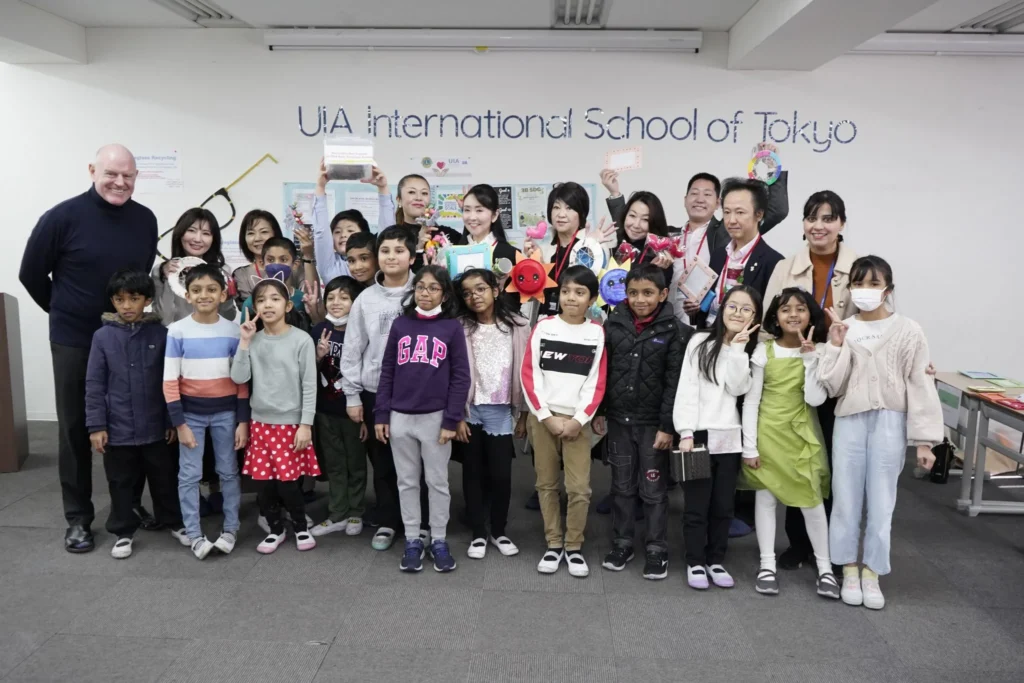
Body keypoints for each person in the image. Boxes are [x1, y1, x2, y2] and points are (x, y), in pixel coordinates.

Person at [20, 143, 158, 553]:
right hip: (75, 339)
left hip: (129, 339)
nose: (120, 182)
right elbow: (30, 273)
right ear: (92, 170)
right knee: (76, 428)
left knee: (132, 424)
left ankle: (128, 508)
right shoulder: (62, 217)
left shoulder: (145, 220)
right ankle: (78, 518)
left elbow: (138, 278)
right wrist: (64, 311)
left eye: (128, 176)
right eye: (111, 174)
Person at [818, 256, 942, 610]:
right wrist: (837, 344)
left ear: (888, 288)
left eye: (874, 284)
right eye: (859, 283)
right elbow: (831, 385)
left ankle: (872, 571)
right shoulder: (845, 327)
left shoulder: (909, 330)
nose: (866, 291)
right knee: (845, 498)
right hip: (850, 421)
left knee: (882, 500)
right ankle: (849, 568)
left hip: (890, 420)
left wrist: (924, 440)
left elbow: (920, 383)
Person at [762, 190, 857, 570]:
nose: (819, 225)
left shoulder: (859, 268)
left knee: (831, 465)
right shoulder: (786, 266)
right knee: (794, 459)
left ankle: (832, 549)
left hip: (838, 378)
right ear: (803, 224)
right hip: (795, 376)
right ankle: (798, 544)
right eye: (812, 217)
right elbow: (769, 326)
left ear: (842, 224)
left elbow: (876, 327)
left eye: (828, 218)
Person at [602, 145, 790, 325]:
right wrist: (615, 194)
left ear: (718, 203)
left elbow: (777, 211)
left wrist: (771, 165)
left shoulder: (726, 231)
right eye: (694, 193)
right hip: (666, 320)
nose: (699, 199)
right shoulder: (668, 236)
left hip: (705, 322)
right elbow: (633, 230)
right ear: (685, 200)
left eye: (707, 194)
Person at [741, 287, 839, 599]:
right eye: (785, 309)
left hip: (802, 437)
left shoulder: (819, 351)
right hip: (768, 434)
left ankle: (825, 569)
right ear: (776, 317)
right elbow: (751, 402)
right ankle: (766, 564)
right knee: (766, 499)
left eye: (800, 309)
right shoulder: (763, 351)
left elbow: (815, 398)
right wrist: (750, 446)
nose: (793, 314)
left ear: (811, 314)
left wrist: (810, 361)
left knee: (811, 502)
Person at [595, 265, 691, 580]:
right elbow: (602, 373)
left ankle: (656, 548)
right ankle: (622, 543)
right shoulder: (614, 324)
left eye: (648, 293)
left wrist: (667, 426)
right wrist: (600, 412)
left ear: (663, 294)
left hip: (654, 426)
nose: (639, 299)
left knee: (653, 489)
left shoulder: (674, 330)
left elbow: (674, 383)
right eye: (633, 292)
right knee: (621, 487)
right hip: (619, 422)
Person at [375, 266, 471, 572]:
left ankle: (439, 539)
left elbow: (460, 377)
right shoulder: (401, 325)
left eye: (433, 288)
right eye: (421, 287)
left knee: (437, 481)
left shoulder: (451, 328)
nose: (425, 293)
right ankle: (413, 539)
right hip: (400, 417)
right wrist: (381, 413)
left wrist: (451, 419)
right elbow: (387, 371)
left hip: (435, 418)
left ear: (444, 293)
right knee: (406, 481)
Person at [85, 269, 183, 559]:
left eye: (134, 298)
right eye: (119, 300)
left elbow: (171, 382)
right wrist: (96, 426)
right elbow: (94, 384)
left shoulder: (161, 334)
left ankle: (174, 522)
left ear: (148, 299)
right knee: (120, 482)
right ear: (112, 302)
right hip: (118, 430)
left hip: (157, 426)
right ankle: (123, 531)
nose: (127, 305)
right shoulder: (102, 337)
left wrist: (171, 421)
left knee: (165, 478)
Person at [673, 285, 761, 590]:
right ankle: (695, 561)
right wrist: (685, 431)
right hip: (698, 434)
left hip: (730, 438)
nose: (738, 313)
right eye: (732, 306)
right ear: (721, 309)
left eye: (746, 309)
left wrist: (738, 350)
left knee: (723, 506)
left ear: (755, 316)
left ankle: (715, 560)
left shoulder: (750, 349)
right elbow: (687, 388)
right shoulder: (700, 341)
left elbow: (739, 388)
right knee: (696, 504)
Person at [522, 265, 607, 578]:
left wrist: (579, 419)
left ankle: (573, 545)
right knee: (545, 483)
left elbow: (596, 383)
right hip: (542, 419)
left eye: (580, 293)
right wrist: (545, 416)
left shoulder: (596, 333)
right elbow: (530, 375)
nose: (571, 298)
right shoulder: (544, 327)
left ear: (591, 299)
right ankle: (554, 543)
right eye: (567, 291)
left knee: (579, 488)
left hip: (577, 423)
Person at [163, 265, 249, 559]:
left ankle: (231, 528)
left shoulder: (233, 331)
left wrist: (242, 421)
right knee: (189, 475)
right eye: (197, 290)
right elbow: (169, 381)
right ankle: (194, 533)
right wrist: (180, 423)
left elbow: (241, 380)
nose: (204, 295)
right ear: (187, 295)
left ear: (223, 294)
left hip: (226, 414)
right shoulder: (176, 331)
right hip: (191, 416)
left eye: (212, 289)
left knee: (228, 471)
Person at [340, 226, 415, 551]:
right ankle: (388, 520)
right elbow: (353, 350)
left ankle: (421, 521)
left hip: (417, 394)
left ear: (411, 256)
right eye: (385, 251)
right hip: (375, 393)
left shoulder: (425, 291)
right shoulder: (366, 299)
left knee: (417, 462)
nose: (391, 257)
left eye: (399, 250)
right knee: (383, 462)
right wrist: (353, 395)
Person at [232, 280, 321, 553]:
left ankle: (300, 527)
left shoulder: (301, 340)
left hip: (291, 425)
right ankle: (275, 529)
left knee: (289, 484)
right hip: (261, 424)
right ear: (254, 306)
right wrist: (245, 342)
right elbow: (239, 377)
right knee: (265, 484)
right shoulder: (253, 340)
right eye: (261, 300)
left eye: (274, 299)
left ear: (288, 305)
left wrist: (305, 425)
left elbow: (309, 385)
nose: (267, 304)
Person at [454, 268, 530, 560]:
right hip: (470, 411)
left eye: (481, 289)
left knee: (501, 475)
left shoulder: (518, 325)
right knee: (472, 474)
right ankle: (477, 533)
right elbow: (455, 374)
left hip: (501, 412)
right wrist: (457, 416)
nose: (474, 296)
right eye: (468, 292)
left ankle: (498, 530)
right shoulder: (460, 326)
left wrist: (523, 414)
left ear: (495, 291)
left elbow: (526, 371)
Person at [309, 276, 368, 538]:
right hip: (325, 411)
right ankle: (337, 513)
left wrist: (366, 416)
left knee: (355, 463)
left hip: (354, 412)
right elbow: (305, 373)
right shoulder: (318, 330)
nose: (336, 303)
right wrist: (318, 356)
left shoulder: (362, 331)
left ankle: (356, 511)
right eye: (331, 297)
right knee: (333, 463)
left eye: (344, 298)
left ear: (355, 303)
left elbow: (369, 375)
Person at [703, 179, 785, 328]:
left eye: (740, 212)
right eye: (727, 212)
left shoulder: (774, 262)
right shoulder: (718, 255)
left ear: (759, 214)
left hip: (744, 342)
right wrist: (697, 309)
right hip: (709, 335)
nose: (731, 220)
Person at [523, 182, 611, 317]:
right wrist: (536, 266)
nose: (561, 214)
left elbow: (588, 287)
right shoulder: (544, 248)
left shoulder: (593, 246)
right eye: (556, 207)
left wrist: (589, 245)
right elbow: (531, 294)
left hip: (580, 324)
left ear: (581, 213)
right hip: (546, 320)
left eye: (569, 208)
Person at [152, 207, 238, 326]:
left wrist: (227, 296)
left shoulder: (223, 270)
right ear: (180, 233)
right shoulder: (160, 271)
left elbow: (228, 318)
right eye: (191, 230)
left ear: (213, 239)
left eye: (206, 233)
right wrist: (168, 279)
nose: (198, 239)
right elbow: (163, 319)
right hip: (175, 339)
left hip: (211, 337)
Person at [452, 184, 523, 311]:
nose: (472, 217)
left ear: (495, 215)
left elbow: (515, 304)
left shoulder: (512, 255)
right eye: (467, 210)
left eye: (479, 210)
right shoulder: (454, 253)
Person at [376, 170, 462, 271]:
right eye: (412, 192)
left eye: (424, 193)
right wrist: (419, 246)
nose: (418, 197)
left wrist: (469, 212)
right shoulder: (391, 235)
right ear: (399, 200)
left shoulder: (445, 234)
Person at [312, 159, 373, 283]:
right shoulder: (329, 266)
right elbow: (321, 232)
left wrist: (383, 188)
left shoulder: (374, 262)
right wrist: (320, 186)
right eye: (337, 232)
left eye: (350, 230)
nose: (343, 235)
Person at [240, 237, 320, 329]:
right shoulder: (251, 302)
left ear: (295, 265)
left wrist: (314, 313)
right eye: (270, 260)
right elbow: (245, 335)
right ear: (262, 264)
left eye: (283, 260)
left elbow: (316, 330)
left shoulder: (303, 299)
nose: (276, 264)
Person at [233, 209, 284, 309]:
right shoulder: (240, 274)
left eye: (264, 232)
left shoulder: (293, 268)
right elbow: (246, 310)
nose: (257, 238)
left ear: (275, 234)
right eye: (251, 233)